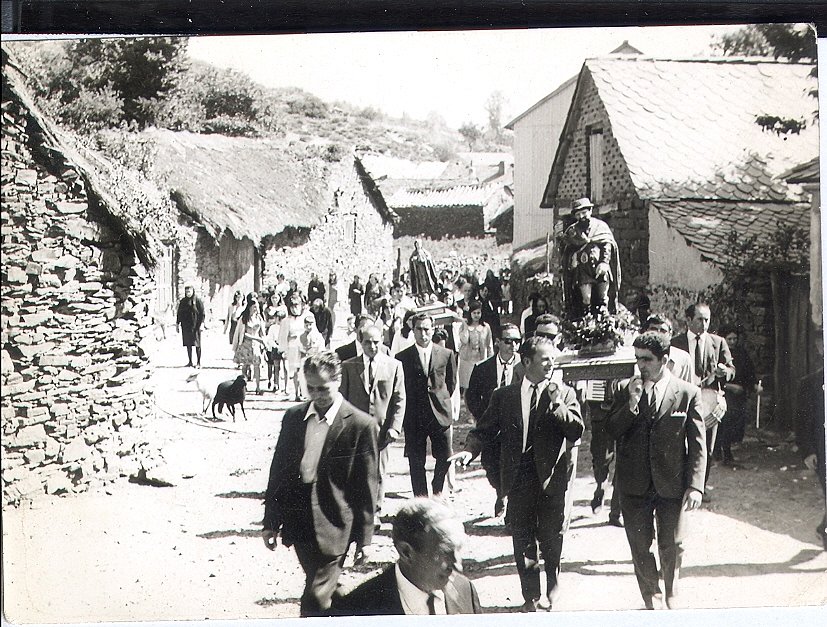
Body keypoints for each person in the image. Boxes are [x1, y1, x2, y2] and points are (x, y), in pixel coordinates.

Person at [450, 336, 583, 612]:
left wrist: (557, 404)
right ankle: (531, 596)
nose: (551, 364)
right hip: (518, 478)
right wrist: (469, 451)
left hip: (551, 478)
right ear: (526, 362)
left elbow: (576, 430)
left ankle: (553, 579)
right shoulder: (505, 396)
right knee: (522, 538)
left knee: (551, 536)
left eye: (552, 359)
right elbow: (483, 429)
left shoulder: (565, 393)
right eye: (545, 359)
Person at [262, 352, 378, 617]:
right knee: (325, 588)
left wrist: (365, 539)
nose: (317, 395)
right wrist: (270, 521)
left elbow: (367, 486)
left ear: (338, 381)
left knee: (315, 597)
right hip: (299, 518)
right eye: (310, 388)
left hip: (336, 521)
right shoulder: (293, 418)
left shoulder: (361, 425)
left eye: (323, 388)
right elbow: (278, 472)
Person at [605, 331, 706, 610]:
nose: (641, 366)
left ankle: (672, 593)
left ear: (664, 360)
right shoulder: (625, 390)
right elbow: (611, 429)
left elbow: (698, 445)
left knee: (671, 544)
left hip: (670, 482)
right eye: (637, 359)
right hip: (633, 484)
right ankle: (652, 599)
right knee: (639, 547)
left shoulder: (687, 393)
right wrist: (632, 404)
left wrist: (695, 485)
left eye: (647, 360)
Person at [331, 497, 481, 616]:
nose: (457, 565)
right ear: (406, 552)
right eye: (445, 552)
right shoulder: (358, 608)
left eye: (458, 550)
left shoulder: (465, 590)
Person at [340, 324, 406, 528]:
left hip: (382, 431)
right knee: (355, 471)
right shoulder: (349, 366)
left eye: (376, 342)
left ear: (382, 341)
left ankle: (375, 511)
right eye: (367, 342)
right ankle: (354, 511)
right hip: (355, 430)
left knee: (378, 473)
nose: (372, 346)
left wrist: (394, 427)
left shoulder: (394, 366)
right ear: (360, 342)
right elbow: (342, 399)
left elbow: (399, 399)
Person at [671, 303, 735, 497]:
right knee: (679, 443)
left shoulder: (718, 342)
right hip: (682, 400)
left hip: (708, 402)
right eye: (699, 319)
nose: (704, 324)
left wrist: (726, 372)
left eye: (707, 319)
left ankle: (700, 486)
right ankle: (680, 484)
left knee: (706, 447)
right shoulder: (675, 343)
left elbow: (732, 370)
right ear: (688, 320)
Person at [465, 323, 524, 517]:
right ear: (497, 342)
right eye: (508, 341)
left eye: (517, 341)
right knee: (490, 464)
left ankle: (509, 505)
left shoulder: (524, 368)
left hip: (516, 428)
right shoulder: (483, 368)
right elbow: (471, 396)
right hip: (491, 427)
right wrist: (482, 418)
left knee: (516, 466)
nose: (513, 345)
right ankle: (500, 492)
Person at [396, 312, 457, 498]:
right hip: (415, 416)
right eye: (419, 329)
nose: (423, 333)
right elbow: (401, 387)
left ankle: (437, 489)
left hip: (440, 412)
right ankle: (421, 499)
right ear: (413, 331)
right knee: (416, 461)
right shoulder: (402, 357)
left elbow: (451, 383)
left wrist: (443, 402)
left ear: (433, 330)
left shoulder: (446, 354)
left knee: (445, 456)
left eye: (427, 329)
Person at [560, 197, 621, 318]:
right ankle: (585, 319)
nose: (582, 216)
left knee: (603, 295)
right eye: (578, 214)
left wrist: (604, 262)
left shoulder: (601, 227)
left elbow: (607, 245)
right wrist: (571, 260)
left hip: (599, 268)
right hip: (582, 269)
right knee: (586, 298)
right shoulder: (572, 231)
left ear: (590, 211)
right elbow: (566, 251)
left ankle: (604, 318)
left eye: (584, 213)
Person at [716, 324, 758, 466]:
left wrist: (753, 385)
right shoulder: (718, 354)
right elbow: (714, 377)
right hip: (724, 393)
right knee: (724, 423)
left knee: (737, 422)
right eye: (729, 339)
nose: (732, 342)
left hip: (739, 396)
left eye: (735, 339)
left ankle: (729, 451)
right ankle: (723, 453)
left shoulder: (741, 353)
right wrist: (729, 386)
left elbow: (749, 372)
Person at [795, 364, 826, 551]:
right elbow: (802, 421)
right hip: (823, 452)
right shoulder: (810, 384)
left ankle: (824, 527)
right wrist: (807, 451)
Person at [457, 300, 494, 393]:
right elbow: (464, 340)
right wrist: (465, 325)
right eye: (474, 313)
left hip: (481, 359)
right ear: (470, 313)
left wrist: (491, 359)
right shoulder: (464, 326)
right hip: (467, 360)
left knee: (480, 386)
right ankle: (467, 407)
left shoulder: (486, 327)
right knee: (467, 387)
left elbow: (489, 345)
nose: (476, 315)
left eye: (478, 313)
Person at [645, 314, 692, 382]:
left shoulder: (684, 359)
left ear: (670, 335)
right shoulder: (640, 357)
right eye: (653, 330)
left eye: (663, 331)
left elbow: (690, 389)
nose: (658, 335)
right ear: (646, 333)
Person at [233, 298, 267, 394]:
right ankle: (243, 386)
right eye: (253, 307)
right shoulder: (244, 318)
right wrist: (256, 338)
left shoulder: (259, 318)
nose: (255, 309)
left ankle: (258, 387)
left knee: (257, 366)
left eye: (256, 307)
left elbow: (262, 332)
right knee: (245, 365)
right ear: (249, 307)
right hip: (246, 344)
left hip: (256, 345)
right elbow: (242, 333)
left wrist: (263, 341)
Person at [278, 294, 307, 402]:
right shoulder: (286, 321)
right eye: (292, 306)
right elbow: (283, 336)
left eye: (297, 306)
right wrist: (284, 350)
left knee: (304, 370)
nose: (295, 309)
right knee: (295, 370)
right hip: (292, 347)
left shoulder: (305, 319)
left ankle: (304, 392)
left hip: (303, 346)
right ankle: (297, 392)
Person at [176, 285, 205, 368]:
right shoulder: (183, 301)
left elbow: (202, 313)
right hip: (186, 326)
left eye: (189, 291)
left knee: (197, 344)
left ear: (193, 291)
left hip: (196, 326)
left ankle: (198, 362)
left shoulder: (198, 301)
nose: (188, 293)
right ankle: (190, 362)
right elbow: (179, 313)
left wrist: (202, 324)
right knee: (188, 344)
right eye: (187, 291)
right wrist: (177, 324)